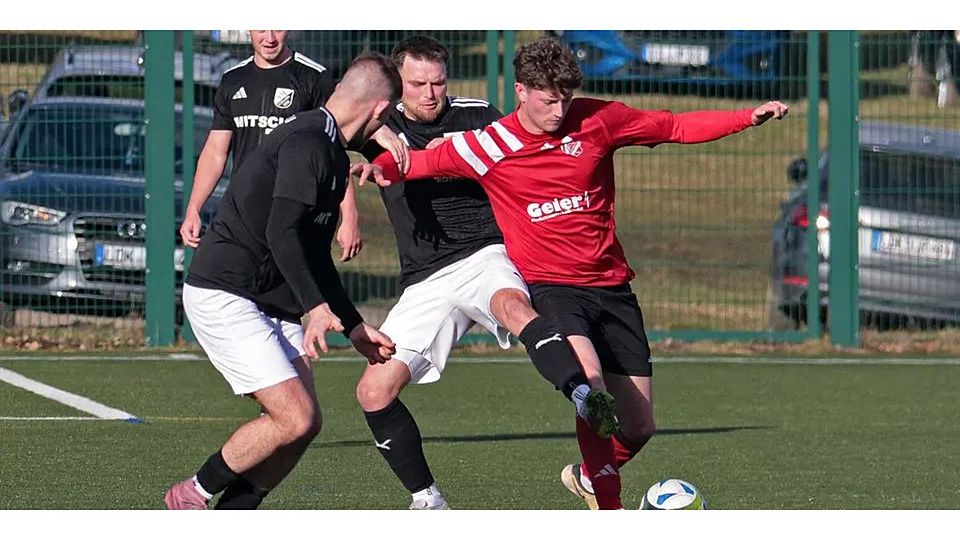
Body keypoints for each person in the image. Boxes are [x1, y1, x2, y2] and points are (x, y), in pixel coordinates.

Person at [363, 36, 789, 510]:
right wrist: (374, 168)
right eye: (548, 101)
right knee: (590, 384)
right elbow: (417, 162)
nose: (558, 111)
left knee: (640, 426)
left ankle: (589, 477)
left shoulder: (597, 119)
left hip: (612, 286)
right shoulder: (491, 143)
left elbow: (674, 126)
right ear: (522, 91)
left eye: (565, 99)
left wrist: (744, 117)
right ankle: (609, 506)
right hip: (551, 287)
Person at [354, 35, 617, 511]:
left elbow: (524, 156)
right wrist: (349, 207)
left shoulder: (476, 115)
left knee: (512, 306)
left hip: (485, 253)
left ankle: (582, 395)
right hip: (425, 279)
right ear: (396, 83)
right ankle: (428, 501)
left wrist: (458, 152)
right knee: (373, 391)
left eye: (438, 83)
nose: (430, 94)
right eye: (417, 84)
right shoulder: (376, 123)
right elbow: (324, 130)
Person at [163, 53, 402, 510]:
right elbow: (281, 233)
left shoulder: (331, 151)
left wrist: (353, 325)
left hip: (269, 298)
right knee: (294, 417)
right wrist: (314, 307)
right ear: (379, 110)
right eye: (386, 119)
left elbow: (312, 254)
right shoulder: (307, 142)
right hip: (225, 291)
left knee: (305, 425)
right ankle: (192, 494)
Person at [179, 30, 364, 262]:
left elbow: (333, 151)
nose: (269, 38)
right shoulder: (233, 79)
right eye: (261, 29)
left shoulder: (314, 77)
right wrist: (194, 208)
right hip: (244, 214)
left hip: (295, 214)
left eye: (277, 28)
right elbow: (216, 151)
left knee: (296, 282)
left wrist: (350, 216)